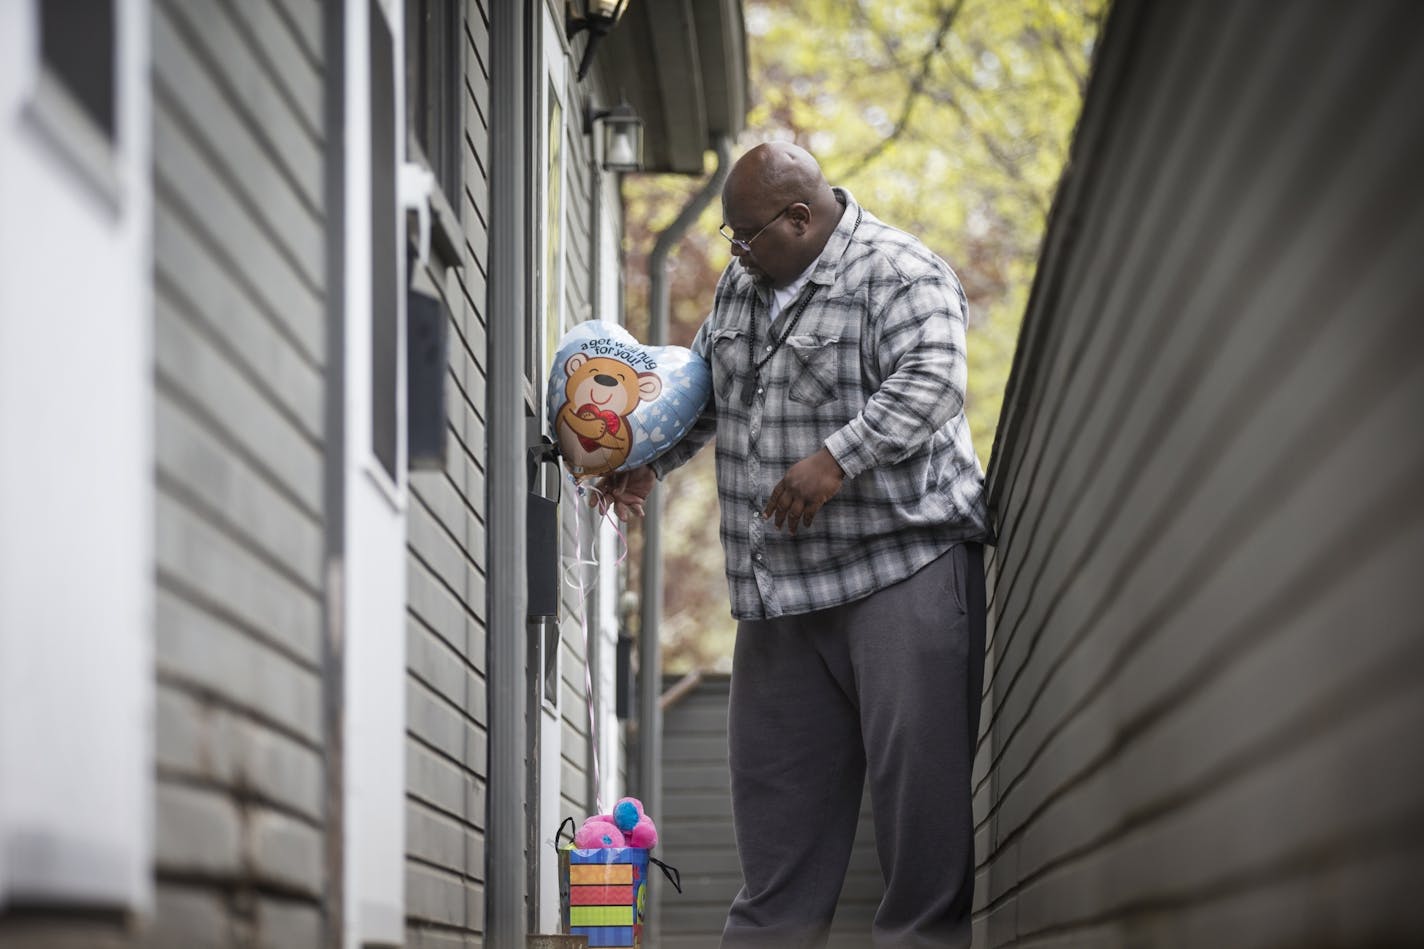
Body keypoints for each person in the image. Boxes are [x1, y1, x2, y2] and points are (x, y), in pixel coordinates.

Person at [595, 142, 994, 948]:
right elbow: (701, 396)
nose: (734, 253)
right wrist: (643, 463)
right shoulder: (746, 286)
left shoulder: (899, 273)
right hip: (779, 601)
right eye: (730, 236)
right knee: (776, 856)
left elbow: (934, 378)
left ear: (801, 217)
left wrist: (836, 457)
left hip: (900, 575)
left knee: (921, 839)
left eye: (747, 236)